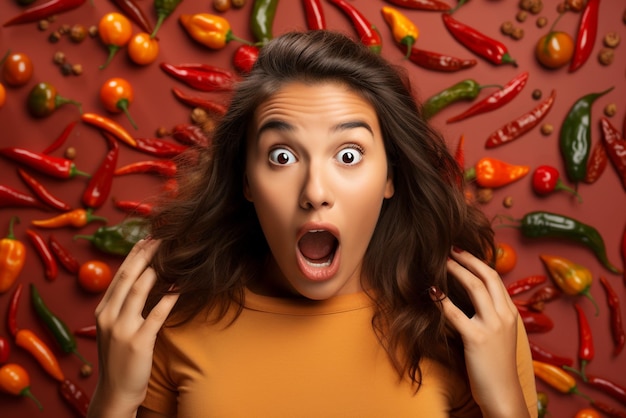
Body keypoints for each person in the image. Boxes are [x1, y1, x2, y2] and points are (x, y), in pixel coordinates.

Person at [89, 30, 537, 417]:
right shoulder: (171, 319)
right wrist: (114, 402)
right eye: (282, 156)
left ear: (390, 175)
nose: (315, 191)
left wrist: (503, 405)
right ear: (246, 180)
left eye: (348, 155)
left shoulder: (473, 325)